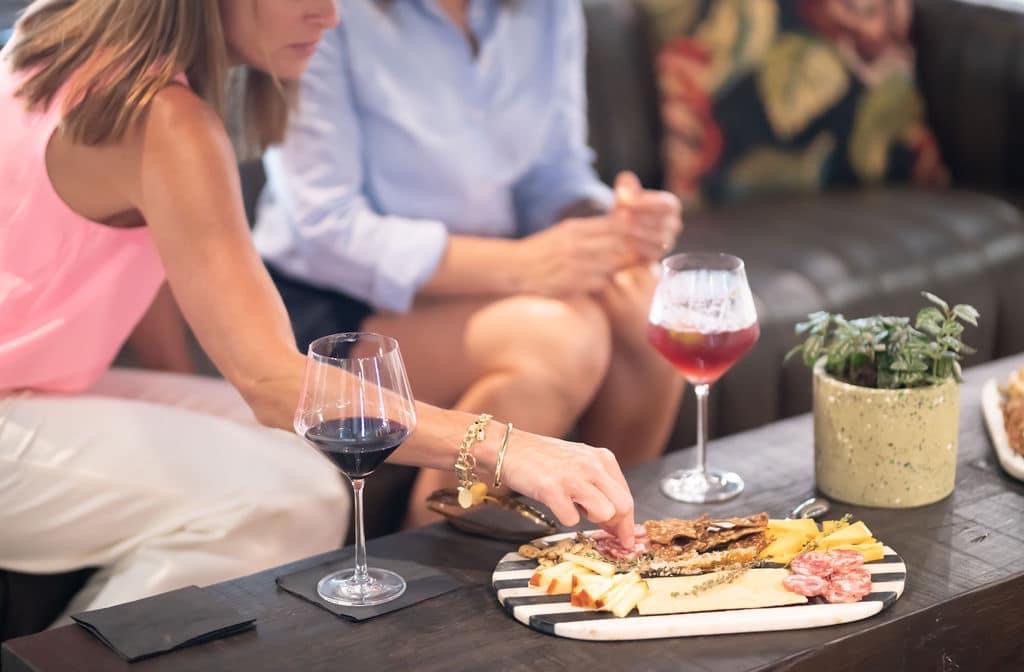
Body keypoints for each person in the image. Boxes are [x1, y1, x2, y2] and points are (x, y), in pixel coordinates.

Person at [0, 0, 635, 619]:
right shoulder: (163, 118)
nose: (331, 16)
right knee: (292, 494)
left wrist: (182, 393)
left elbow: (129, 260)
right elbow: (277, 386)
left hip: (35, 389)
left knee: (302, 458)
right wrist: (505, 447)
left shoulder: (63, 35)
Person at [254, 0, 685, 526]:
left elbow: (552, 172)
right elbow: (326, 227)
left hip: (487, 281)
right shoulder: (322, 13)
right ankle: (436, 577)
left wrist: (609, 222)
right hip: (337, 300)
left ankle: (612, 541)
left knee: (651, 302)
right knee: (559, 338)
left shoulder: (548, 10)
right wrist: (522, 266)